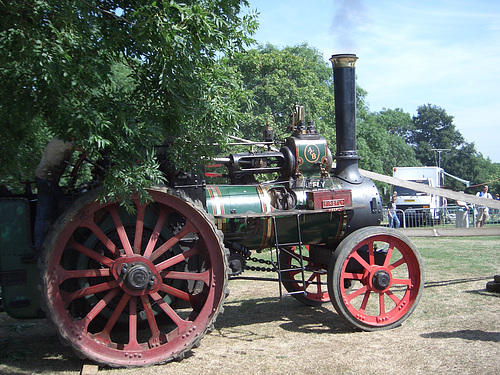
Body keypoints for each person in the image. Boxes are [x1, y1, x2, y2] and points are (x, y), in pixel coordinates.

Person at [33, 136, 75, 253]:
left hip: (50, 180)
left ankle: (56, 241)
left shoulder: (63, 141)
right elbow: (81, 148)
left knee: (59, 206)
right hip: (45, 179)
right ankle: (40, 249)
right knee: (44, 213)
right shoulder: (61, 140)